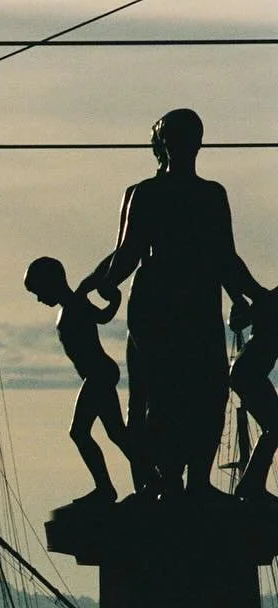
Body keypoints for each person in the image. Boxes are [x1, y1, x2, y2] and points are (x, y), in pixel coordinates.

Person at [77, 108, 267, 500]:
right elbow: (126, 254)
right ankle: (161, 479)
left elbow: (226, 259)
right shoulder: (143, 193)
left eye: (189, 138)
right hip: (157, 306)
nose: (184, 146)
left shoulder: (212, 194)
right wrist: (98, 285)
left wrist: (256, 296)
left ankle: (196, 479)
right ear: (163, 145)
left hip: (197, 303)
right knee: (155, 392)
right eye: (175, 138)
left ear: (198, 143)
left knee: (209, 387)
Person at [25, 256, 144, 503]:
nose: (38, 299)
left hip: (99, 374)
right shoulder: (70, 305)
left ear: (52, 283)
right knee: (116, 432)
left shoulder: (77, 302)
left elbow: (102, 316)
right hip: (97, 375)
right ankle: (150, 479)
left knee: (79, 432)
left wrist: (116, 298)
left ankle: (106, 488)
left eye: (39, 291)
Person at [230, 289, 278, 498]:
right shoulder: (272, 299)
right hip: (248, 371)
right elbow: (237, 322)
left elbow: (237, 322)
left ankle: (251, 483)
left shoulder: (270, 299)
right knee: (274, 426)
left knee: (274, 427)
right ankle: (251, 484)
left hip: (247, 371)